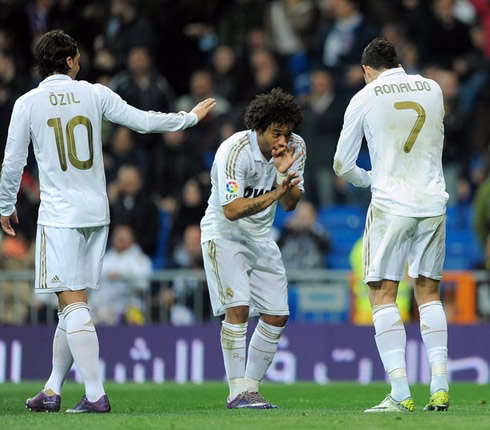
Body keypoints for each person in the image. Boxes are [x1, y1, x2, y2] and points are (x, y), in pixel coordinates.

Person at [0, 29, 215, 413]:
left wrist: (4, 205)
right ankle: (51, 389)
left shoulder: (27, 103)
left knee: (71, 303)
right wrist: (188, 119)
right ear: (68, 60)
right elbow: (144, 121)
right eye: (77, 56)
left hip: (60, 215)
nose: (81, 61)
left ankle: (96, 394)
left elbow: (13, 161)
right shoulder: (94, 93)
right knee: (74, 304)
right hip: (97, 213)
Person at [333, 38, 449, 413]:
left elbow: (341, 164)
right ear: (396, 62)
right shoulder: (432, 88)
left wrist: (369, 178)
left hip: (391, 203)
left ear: (367, 70)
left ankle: (400, 392)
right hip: (433, 200)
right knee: (428, 292)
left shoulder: (364, 98)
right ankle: (440, 385)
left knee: (382, 294)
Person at [200, 87, 306, 409]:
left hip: (261, 238)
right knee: (239, 308)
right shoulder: (233, 152)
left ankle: (251, 389)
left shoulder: (296, 147)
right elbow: (231, 209)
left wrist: (284, 175)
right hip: (224, 234)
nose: (282, 141)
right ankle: (235, 392)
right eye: (276, 133)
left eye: (287, 133)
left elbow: (289, 205)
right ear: (259, 128)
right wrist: (275, 192)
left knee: (277, 315)